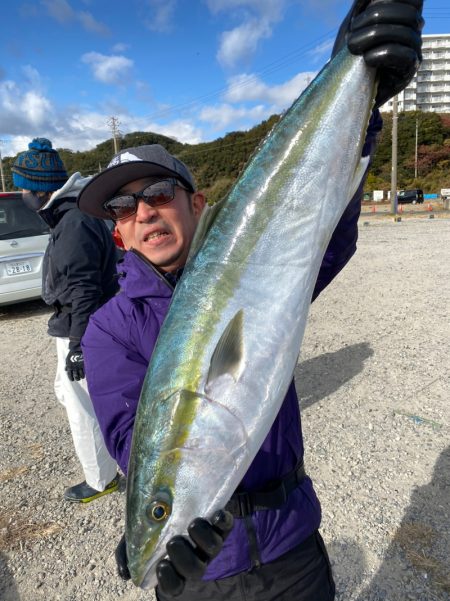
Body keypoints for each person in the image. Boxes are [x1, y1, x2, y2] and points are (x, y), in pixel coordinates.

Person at [77, 0, 423, 597]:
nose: (144, 211)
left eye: (159, 192)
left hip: (293, 544)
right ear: (118, 232)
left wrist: (363, 92)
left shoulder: (258, 266)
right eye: (123, 207)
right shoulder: (110, 327)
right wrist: (163, 527)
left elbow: (323, 230)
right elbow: (135, 444)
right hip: (203, 576)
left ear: (197, 203)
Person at [12, 138, 120, 503]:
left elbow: (84, 289)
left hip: (81, 326)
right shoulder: (69, 214)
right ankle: (113, 458)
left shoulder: (74, 222)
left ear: (41, 189)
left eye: (24, 187)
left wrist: (77, 346)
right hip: (77, 323)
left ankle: (100, 480)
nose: (21, 193)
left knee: (82, 407)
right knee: (69, 392)